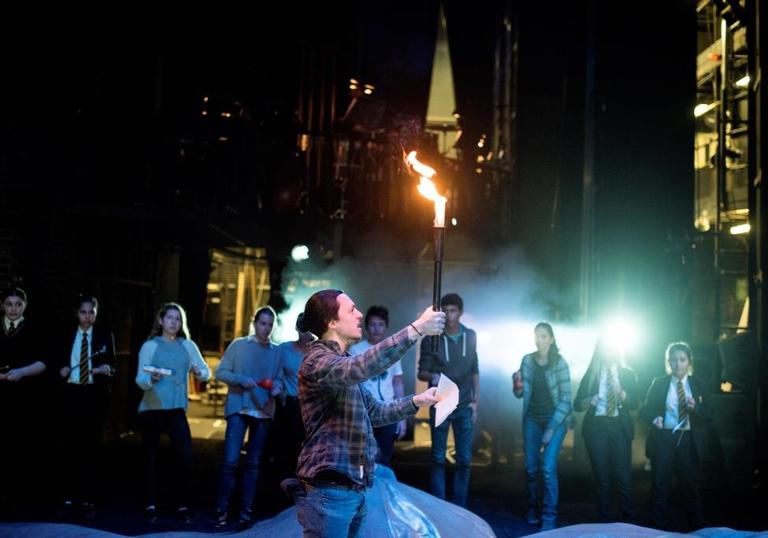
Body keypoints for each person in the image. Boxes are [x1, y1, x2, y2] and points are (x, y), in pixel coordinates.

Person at [294, 289, 444, 537]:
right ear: (331, 322)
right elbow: (358, 367)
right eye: (351, 310)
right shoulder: (317, 360)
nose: (360, 314)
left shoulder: (343, 359)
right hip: (331, 491)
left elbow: (374, 412)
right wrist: (417, 329)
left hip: (353, 489)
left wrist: (418, 400)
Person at [135, 302, 210, 525]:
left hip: (176, 410)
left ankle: (182, 504)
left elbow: (205, 372)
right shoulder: (150, 346)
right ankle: (149, 504)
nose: (174, 322)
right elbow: (140, 379)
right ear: (161, 321)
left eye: (178, 319)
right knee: (150, 458)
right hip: (152, 409)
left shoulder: (187, 345)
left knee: (186, 458)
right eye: (170, 318)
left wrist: (199, 372)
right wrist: (151, 380)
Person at [214, 306, 282, 529]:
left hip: (262, 411)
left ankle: (246, 513)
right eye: (263, 323)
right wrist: (241, 379)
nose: (266, 328)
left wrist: (276, 388)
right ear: (255, 323)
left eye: (270, 324)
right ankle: (221, 510)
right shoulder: (239, 345)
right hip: (239, 408)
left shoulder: (276, 352)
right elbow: (221, 372)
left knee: (253, 464)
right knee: (231, 461)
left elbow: (279, 379)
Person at [55, 295, 117, 519]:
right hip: (70, 395)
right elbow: (55, 360)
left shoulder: (103, 336)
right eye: (83, 312)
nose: (87, 317)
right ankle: (67, 496)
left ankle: (88, 498)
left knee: (90, 448)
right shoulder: (65, 334)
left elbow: (113, 366)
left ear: (96, 313)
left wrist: (105, 369)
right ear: (76, 313)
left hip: (93, 396)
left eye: (92, 312)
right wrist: (61, 369)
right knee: (69, 447)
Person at [640, 342, 710, 531]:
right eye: (674, 360)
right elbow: (644, 411)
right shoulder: (659, 383)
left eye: (682, 360)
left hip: (688, 440)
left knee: (690, 488)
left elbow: (709, 415)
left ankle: (697, 530)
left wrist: (695, 408)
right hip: (664, 439)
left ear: (689, 362)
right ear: (668, 362)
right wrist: (655, 418)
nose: (678, 364)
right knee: (659, 486)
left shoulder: (698, 384)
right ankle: (656, 530)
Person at [417, 293, 479, 507]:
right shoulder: (431, 339)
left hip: (464, 405)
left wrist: (475, 401)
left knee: (464, 460)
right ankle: (439, 505)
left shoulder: (470, 336)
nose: (450, 315)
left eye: (453, 310)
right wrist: (432, 376)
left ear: (460, 313)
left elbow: (474, 369)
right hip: (441, 403)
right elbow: (421, 372)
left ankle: (460, 505)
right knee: (437, 458)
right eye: (446, 310)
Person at [512, 322, 572, 531]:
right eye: (537, 336)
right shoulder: (527, 361)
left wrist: (550, 429)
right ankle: (533, 508)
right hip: (532, 418)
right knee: (530, 468)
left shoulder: (560, 363)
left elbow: (566, 401)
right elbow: (520, 394)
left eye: (544, 336)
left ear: (552, 339)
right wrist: (516, 385)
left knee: (547, 467)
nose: (539, 340)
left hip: (555, 420)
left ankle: (549, 515)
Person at [573, 337, 639, 522]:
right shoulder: (592, 373)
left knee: (623, 477)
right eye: (604, 348)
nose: (608, 352)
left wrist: (623, 393)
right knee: (601, 478)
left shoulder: (627, 373)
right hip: (597, 427)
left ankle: (628, 522)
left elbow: (635, 404)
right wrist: (589, 400)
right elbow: (577, 404)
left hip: (619, 427)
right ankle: (603, 522)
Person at [0, 287, 47, 515]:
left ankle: (19, 498)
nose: (13, 309)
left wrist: (22, 372)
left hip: (25, 398)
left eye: (18, 304)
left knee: (20, 445)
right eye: (9, 304)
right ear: (2, 306)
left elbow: (44, 362)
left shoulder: (34, 329)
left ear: (25, 306)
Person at [349, 305, 406, 467]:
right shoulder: (356, 350)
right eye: (373, 324)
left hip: (387, 410)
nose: (376, 329)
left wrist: (401, 417)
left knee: (385, 458)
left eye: (380, 324)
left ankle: (383, 492)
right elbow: (352, 383)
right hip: (364, 412)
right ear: (367, 326)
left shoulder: (394, 349)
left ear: (386, 327)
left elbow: (398, 382)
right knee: (362, 458)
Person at [271, 313, 313, 482]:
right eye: (303, 329)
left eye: (309, 330)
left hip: (311, 406)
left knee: (306, 451)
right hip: (290, 404)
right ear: (297, 329)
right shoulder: (284, 349)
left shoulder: (318, 351)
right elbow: (277, 374)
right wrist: (277, 387)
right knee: (286, 448)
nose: (306, 334)